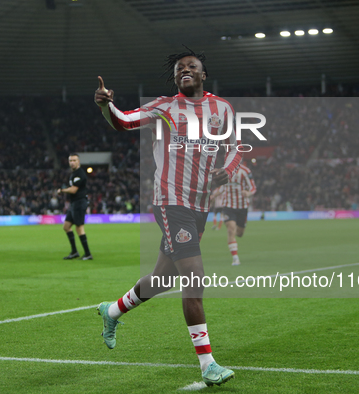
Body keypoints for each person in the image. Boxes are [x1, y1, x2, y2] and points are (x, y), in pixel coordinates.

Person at [93, 48, 241, 386]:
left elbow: (235, 146)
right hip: (170, 202)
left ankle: (112, 310)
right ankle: (208, 365)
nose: (185, 70)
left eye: (192, 66)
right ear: (175, 78)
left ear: (204, 75)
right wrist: (106, 105)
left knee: (162, 280)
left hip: (200, 205)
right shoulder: (165, 106)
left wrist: (227, 172)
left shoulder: (223, 108)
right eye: (180, 69)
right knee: (195, 278)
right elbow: (123, 121)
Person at [57, 153, 93, 260]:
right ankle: (74, 252)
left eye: (74, 160)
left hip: (79, 203)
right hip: (74, 204)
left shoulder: (80, 174)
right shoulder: (74, 174)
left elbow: (73, 190)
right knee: (66, 227)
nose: (72, 163)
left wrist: (62, 190)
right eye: (70, 161)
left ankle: (87, 253)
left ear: (78, 162)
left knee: (79, 228)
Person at [222, 162, 256, 266]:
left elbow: (253, 187)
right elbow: (221, 187)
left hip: (242, 206)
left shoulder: (245, 171)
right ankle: (235, 258)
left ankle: (233, 239)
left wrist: (248, 193)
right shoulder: (224, 171)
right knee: (231, 229)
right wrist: (213, 195)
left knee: (239, 233)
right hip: (228, 205)